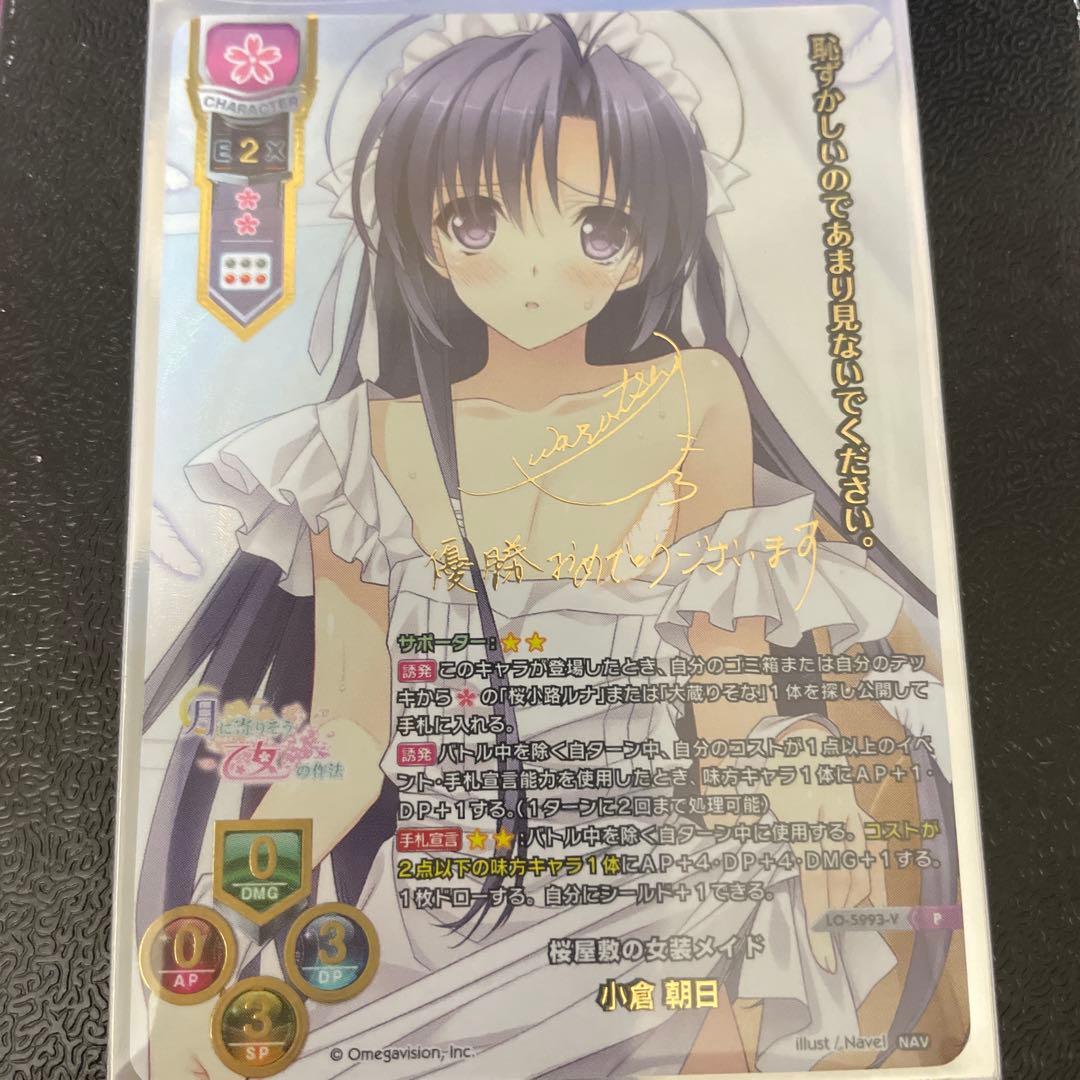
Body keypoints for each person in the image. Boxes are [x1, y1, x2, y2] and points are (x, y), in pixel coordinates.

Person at [141, 13, 958, 1076]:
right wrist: (213, 936)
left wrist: (797, 759)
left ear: (645, 247)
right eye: (478, 219)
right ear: (424, 233)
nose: (534, 267)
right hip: (436, 915)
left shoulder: (691, 396)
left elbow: (728, 691)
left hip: (660, 898)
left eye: (597, 228)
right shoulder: (359, 446)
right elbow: (347, 739)